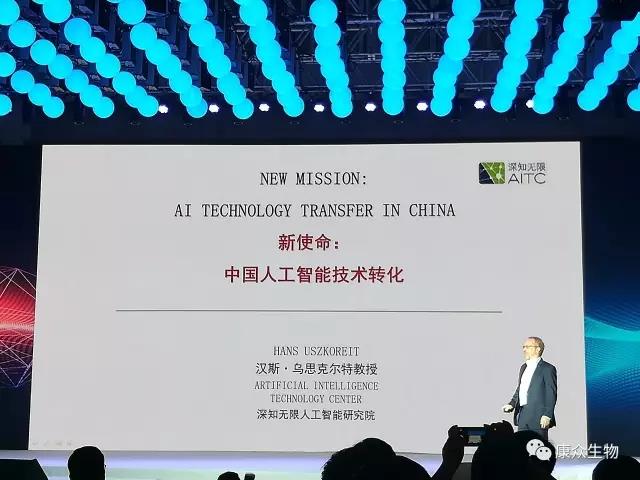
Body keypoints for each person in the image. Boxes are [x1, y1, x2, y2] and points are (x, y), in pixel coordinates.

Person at [502, 337, 557, 440]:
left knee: (538, 445)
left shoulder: (548, 368)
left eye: (527, 347)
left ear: (538, 349)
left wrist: (547, 414)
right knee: (521, 445)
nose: (524, 349)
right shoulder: (523, 367)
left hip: (538, 415)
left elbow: (551, 393)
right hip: (523, 414)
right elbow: (521, 388)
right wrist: (512, 403)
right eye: (523, 347)